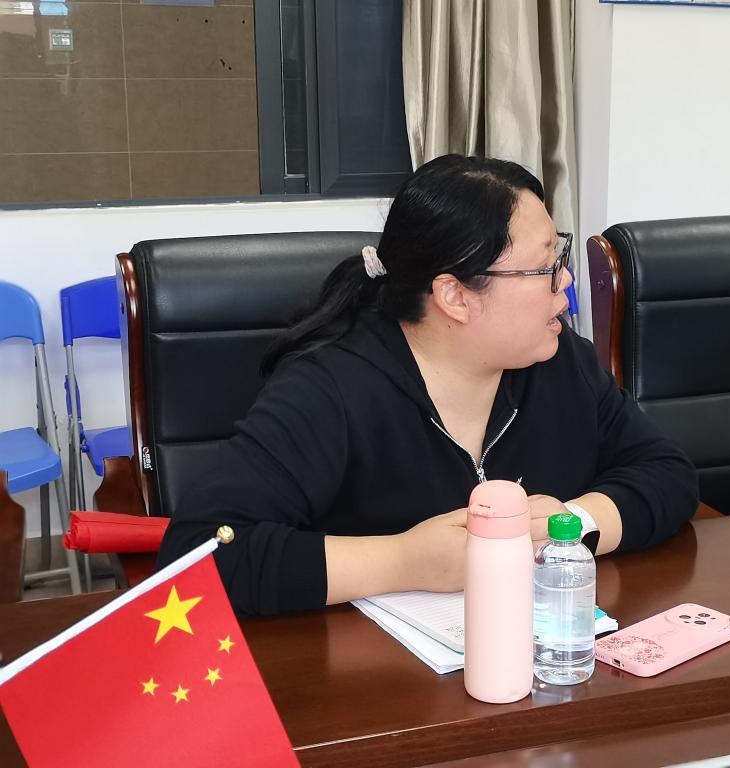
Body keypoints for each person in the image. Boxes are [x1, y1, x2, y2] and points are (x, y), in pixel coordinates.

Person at [157, 154, 698, 615]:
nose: (567, 280)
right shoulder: (330, 389)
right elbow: (196, 555)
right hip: (368, 683)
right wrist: (403, 561)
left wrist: (573, 523)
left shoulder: (557, 362)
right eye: (544, 268)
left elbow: (667, 472)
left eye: (561, 257)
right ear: (455, 296)